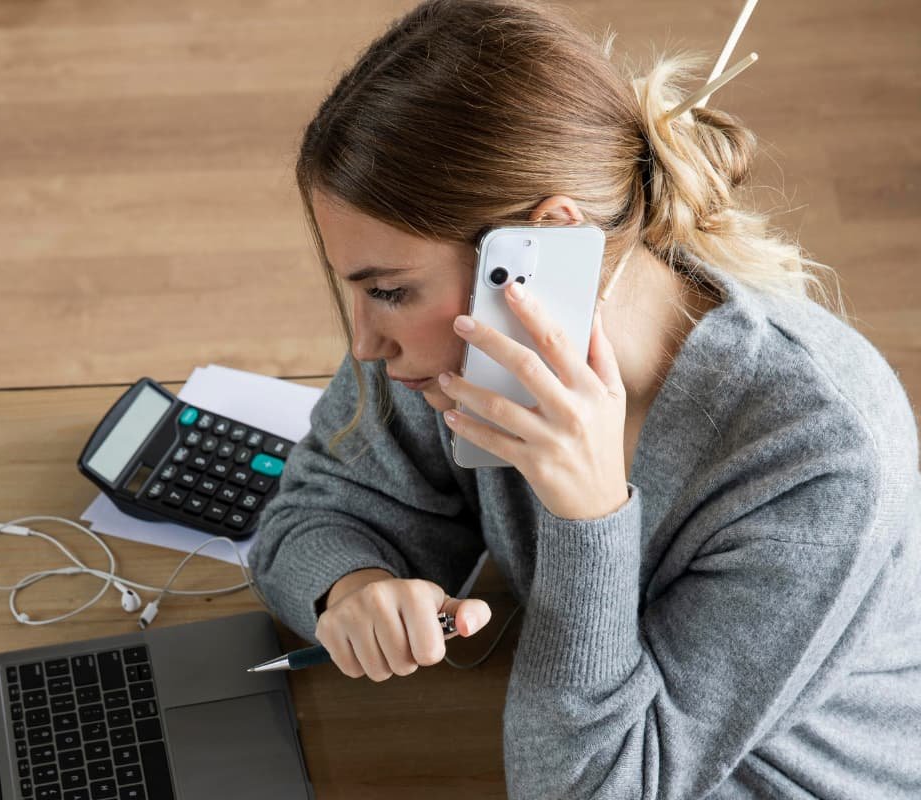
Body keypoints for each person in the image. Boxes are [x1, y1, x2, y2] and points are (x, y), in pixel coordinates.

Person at [247, 0, 921, 797]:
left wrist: (587, 521)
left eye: (390, 290)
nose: (363, 343)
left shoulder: (820, 458)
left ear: (541, 247)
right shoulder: (458, 348)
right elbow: (311, 512)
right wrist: (353, 587)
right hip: (562, 717)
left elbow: (589, 788)